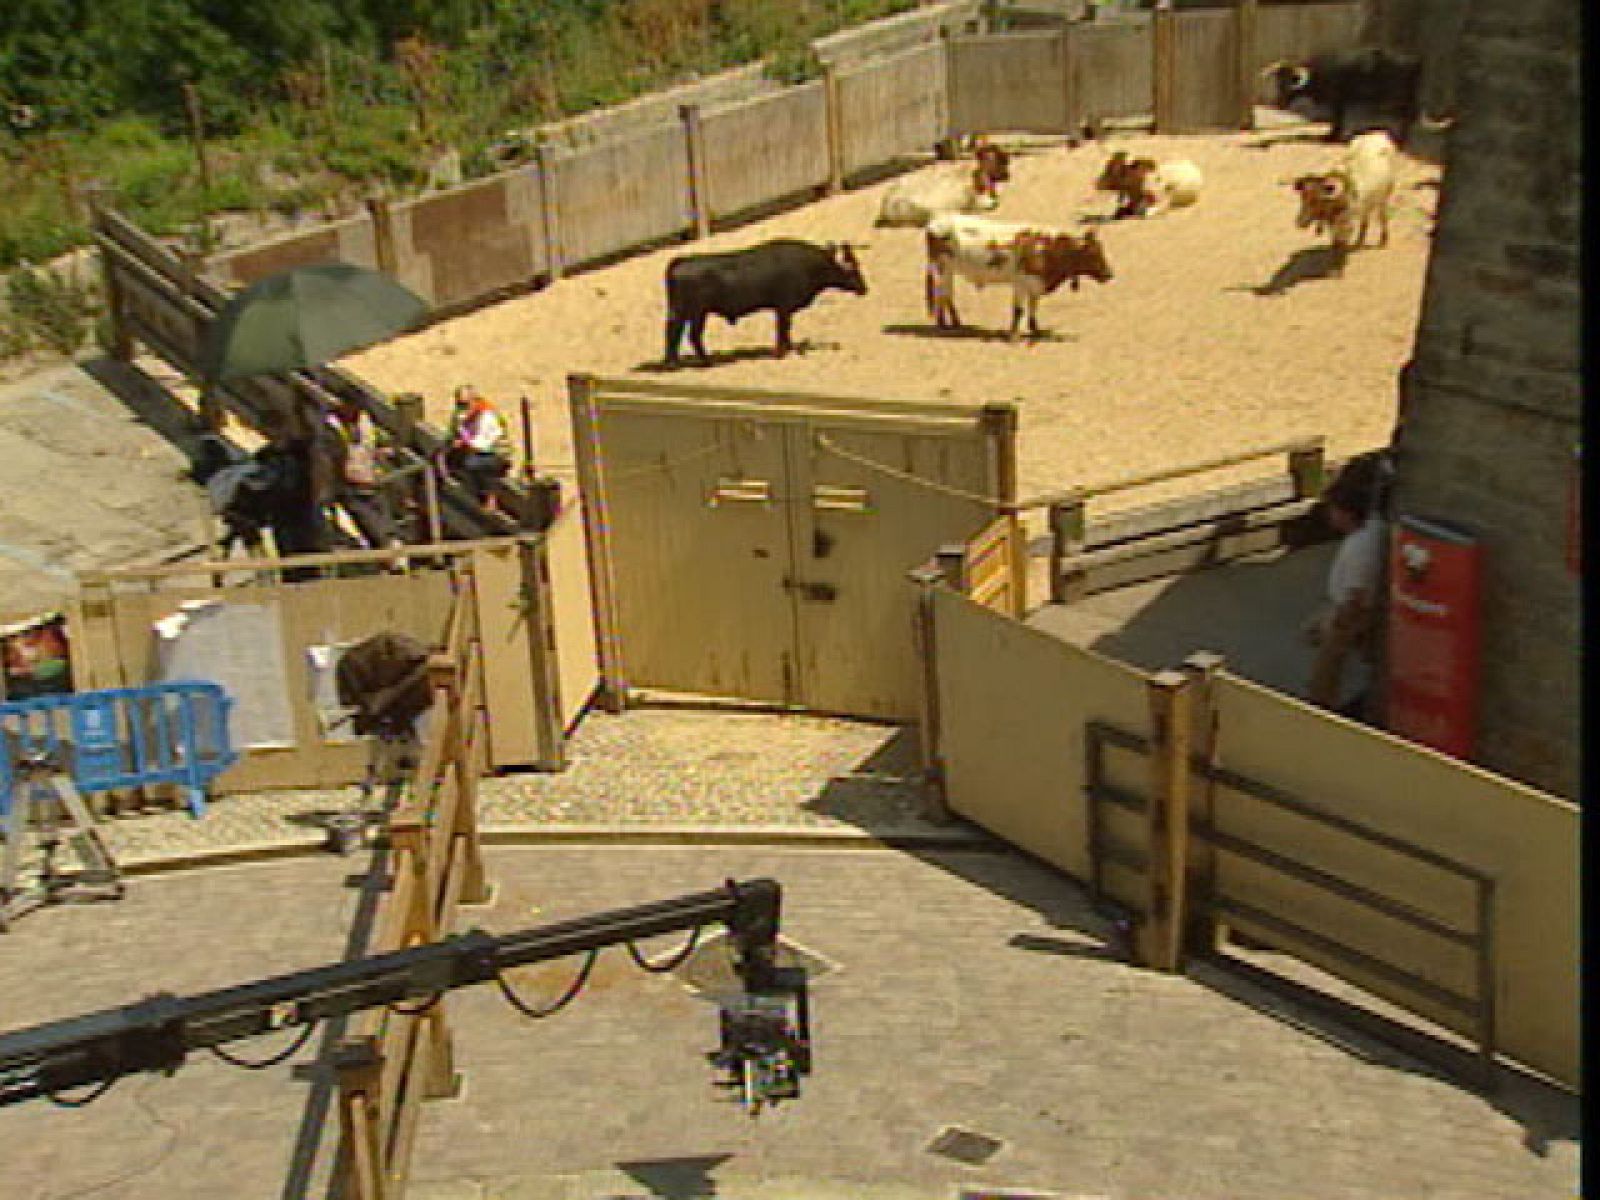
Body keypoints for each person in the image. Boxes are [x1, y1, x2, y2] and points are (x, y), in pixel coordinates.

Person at [1303, 465, 1390, 718]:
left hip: (1351, 614)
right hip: (1352, 608)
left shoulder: (1360, 548)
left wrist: (1337, 623)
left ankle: (1320, 708)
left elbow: (1357, 596)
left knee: (1328, 666)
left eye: (1333, 510)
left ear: (1346, 513)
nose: (1330, 516)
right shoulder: (1372, 531)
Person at [325, 396, 402, 549]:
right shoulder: (332, 429)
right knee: (369, 518)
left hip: (368, 479)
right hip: (350, 482)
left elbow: (374, 445)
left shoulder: (363, 423)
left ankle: (389, 544)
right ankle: (388, 546)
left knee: (378, 516)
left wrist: (382, 451)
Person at [440, 384, 511, 510]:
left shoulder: (487, 416)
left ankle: (489, 497)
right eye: (459, 404)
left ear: (474, 401)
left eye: (465, 404)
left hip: (496, 453)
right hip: (474, 449)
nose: (461, 408)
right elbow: (454, 433)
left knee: (474, 464)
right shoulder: (462, 415)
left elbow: (485, 444)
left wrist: (464, 443)